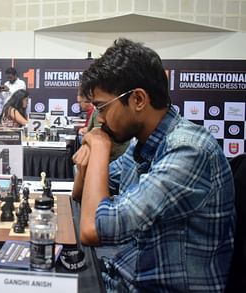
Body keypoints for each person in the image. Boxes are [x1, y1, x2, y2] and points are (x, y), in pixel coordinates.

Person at [72, 38, 235, 292]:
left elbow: (93, 228)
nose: (99, 119)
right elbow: (81, 194)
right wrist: (89, 157)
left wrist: (100, 146)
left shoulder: (188, 150)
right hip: (124, 276)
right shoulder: (144, 144)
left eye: (102, 107)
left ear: (138, 99)